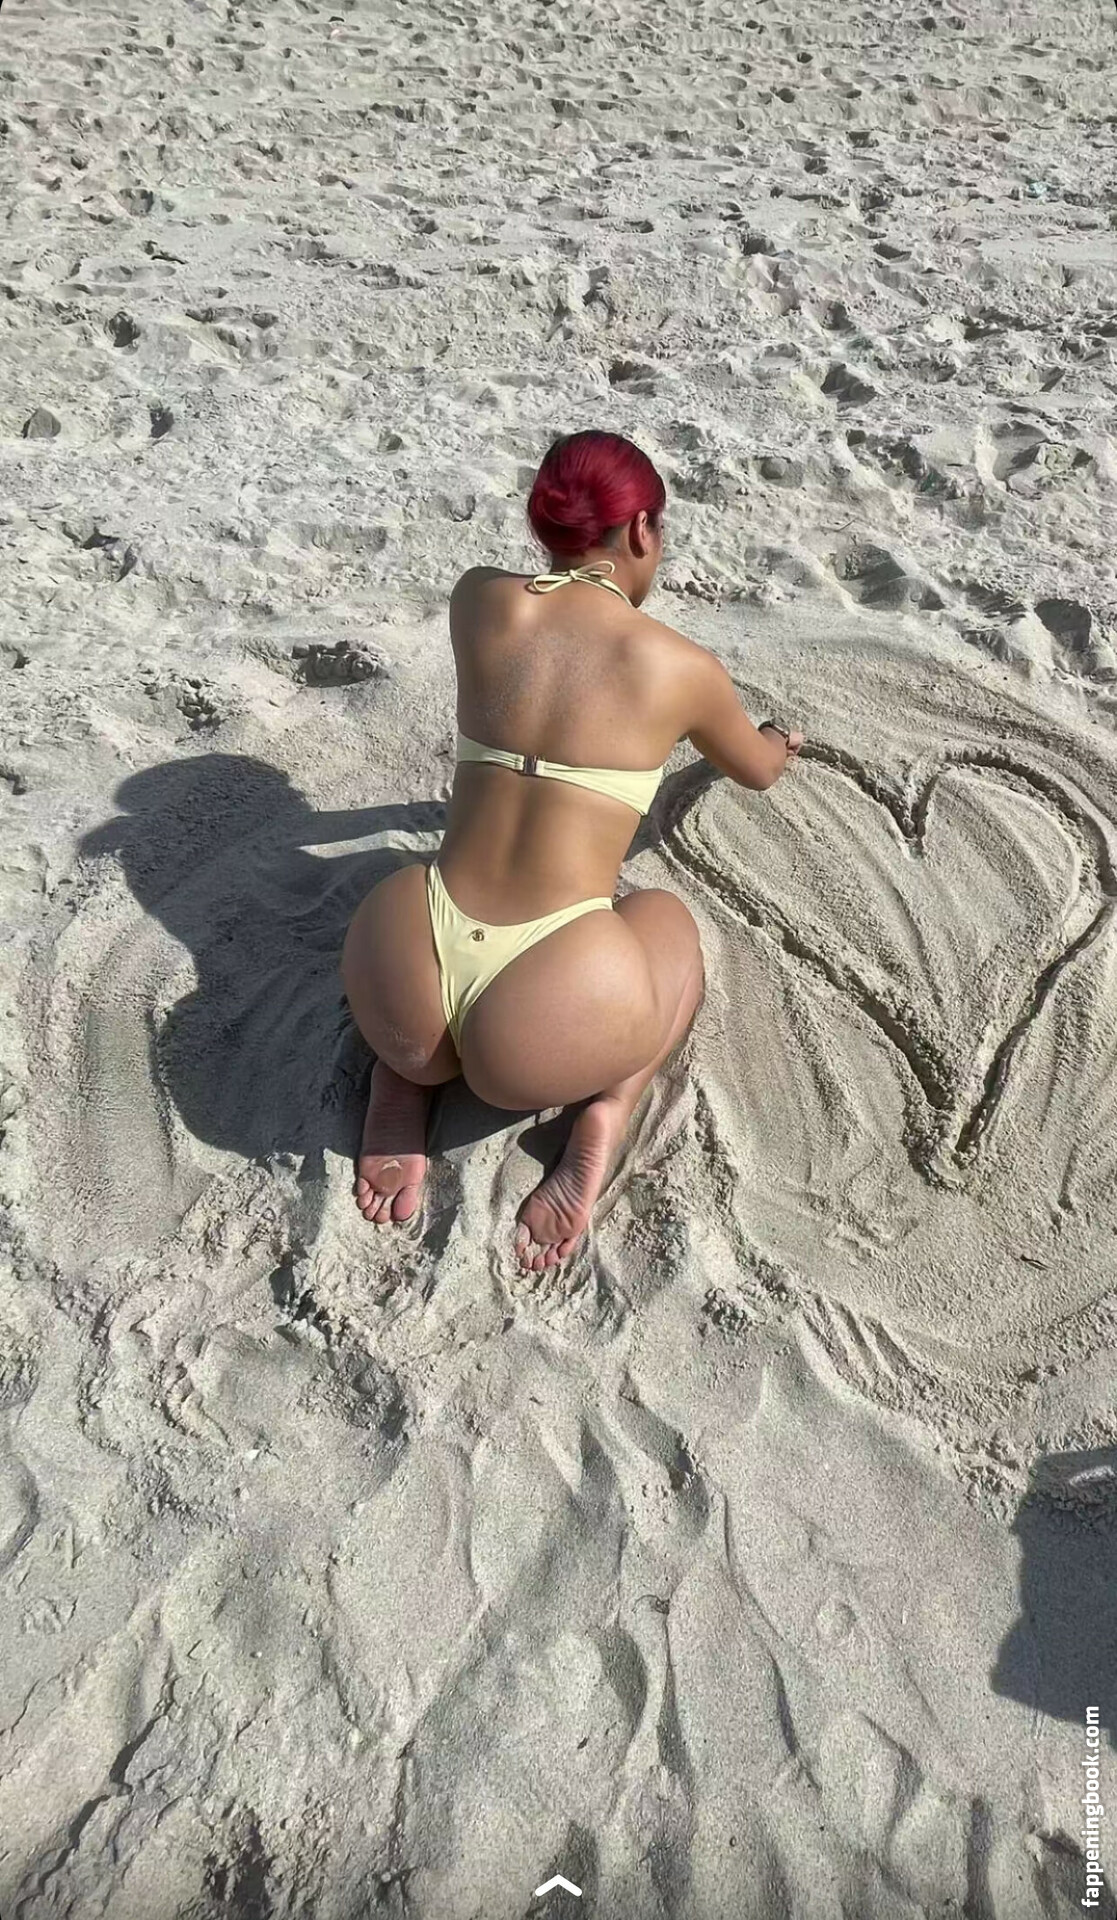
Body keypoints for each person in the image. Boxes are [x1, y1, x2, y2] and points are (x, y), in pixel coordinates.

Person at [340, 430, 804, 1272]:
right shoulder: (677, 666)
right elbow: (758, 772)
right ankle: (608, 1110)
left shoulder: (479, 598)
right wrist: (774, 738)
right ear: (641, 531)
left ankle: (403, 1076)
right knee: (662, 920)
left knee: (403, 883)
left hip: (403, 971)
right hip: (544, 1019)